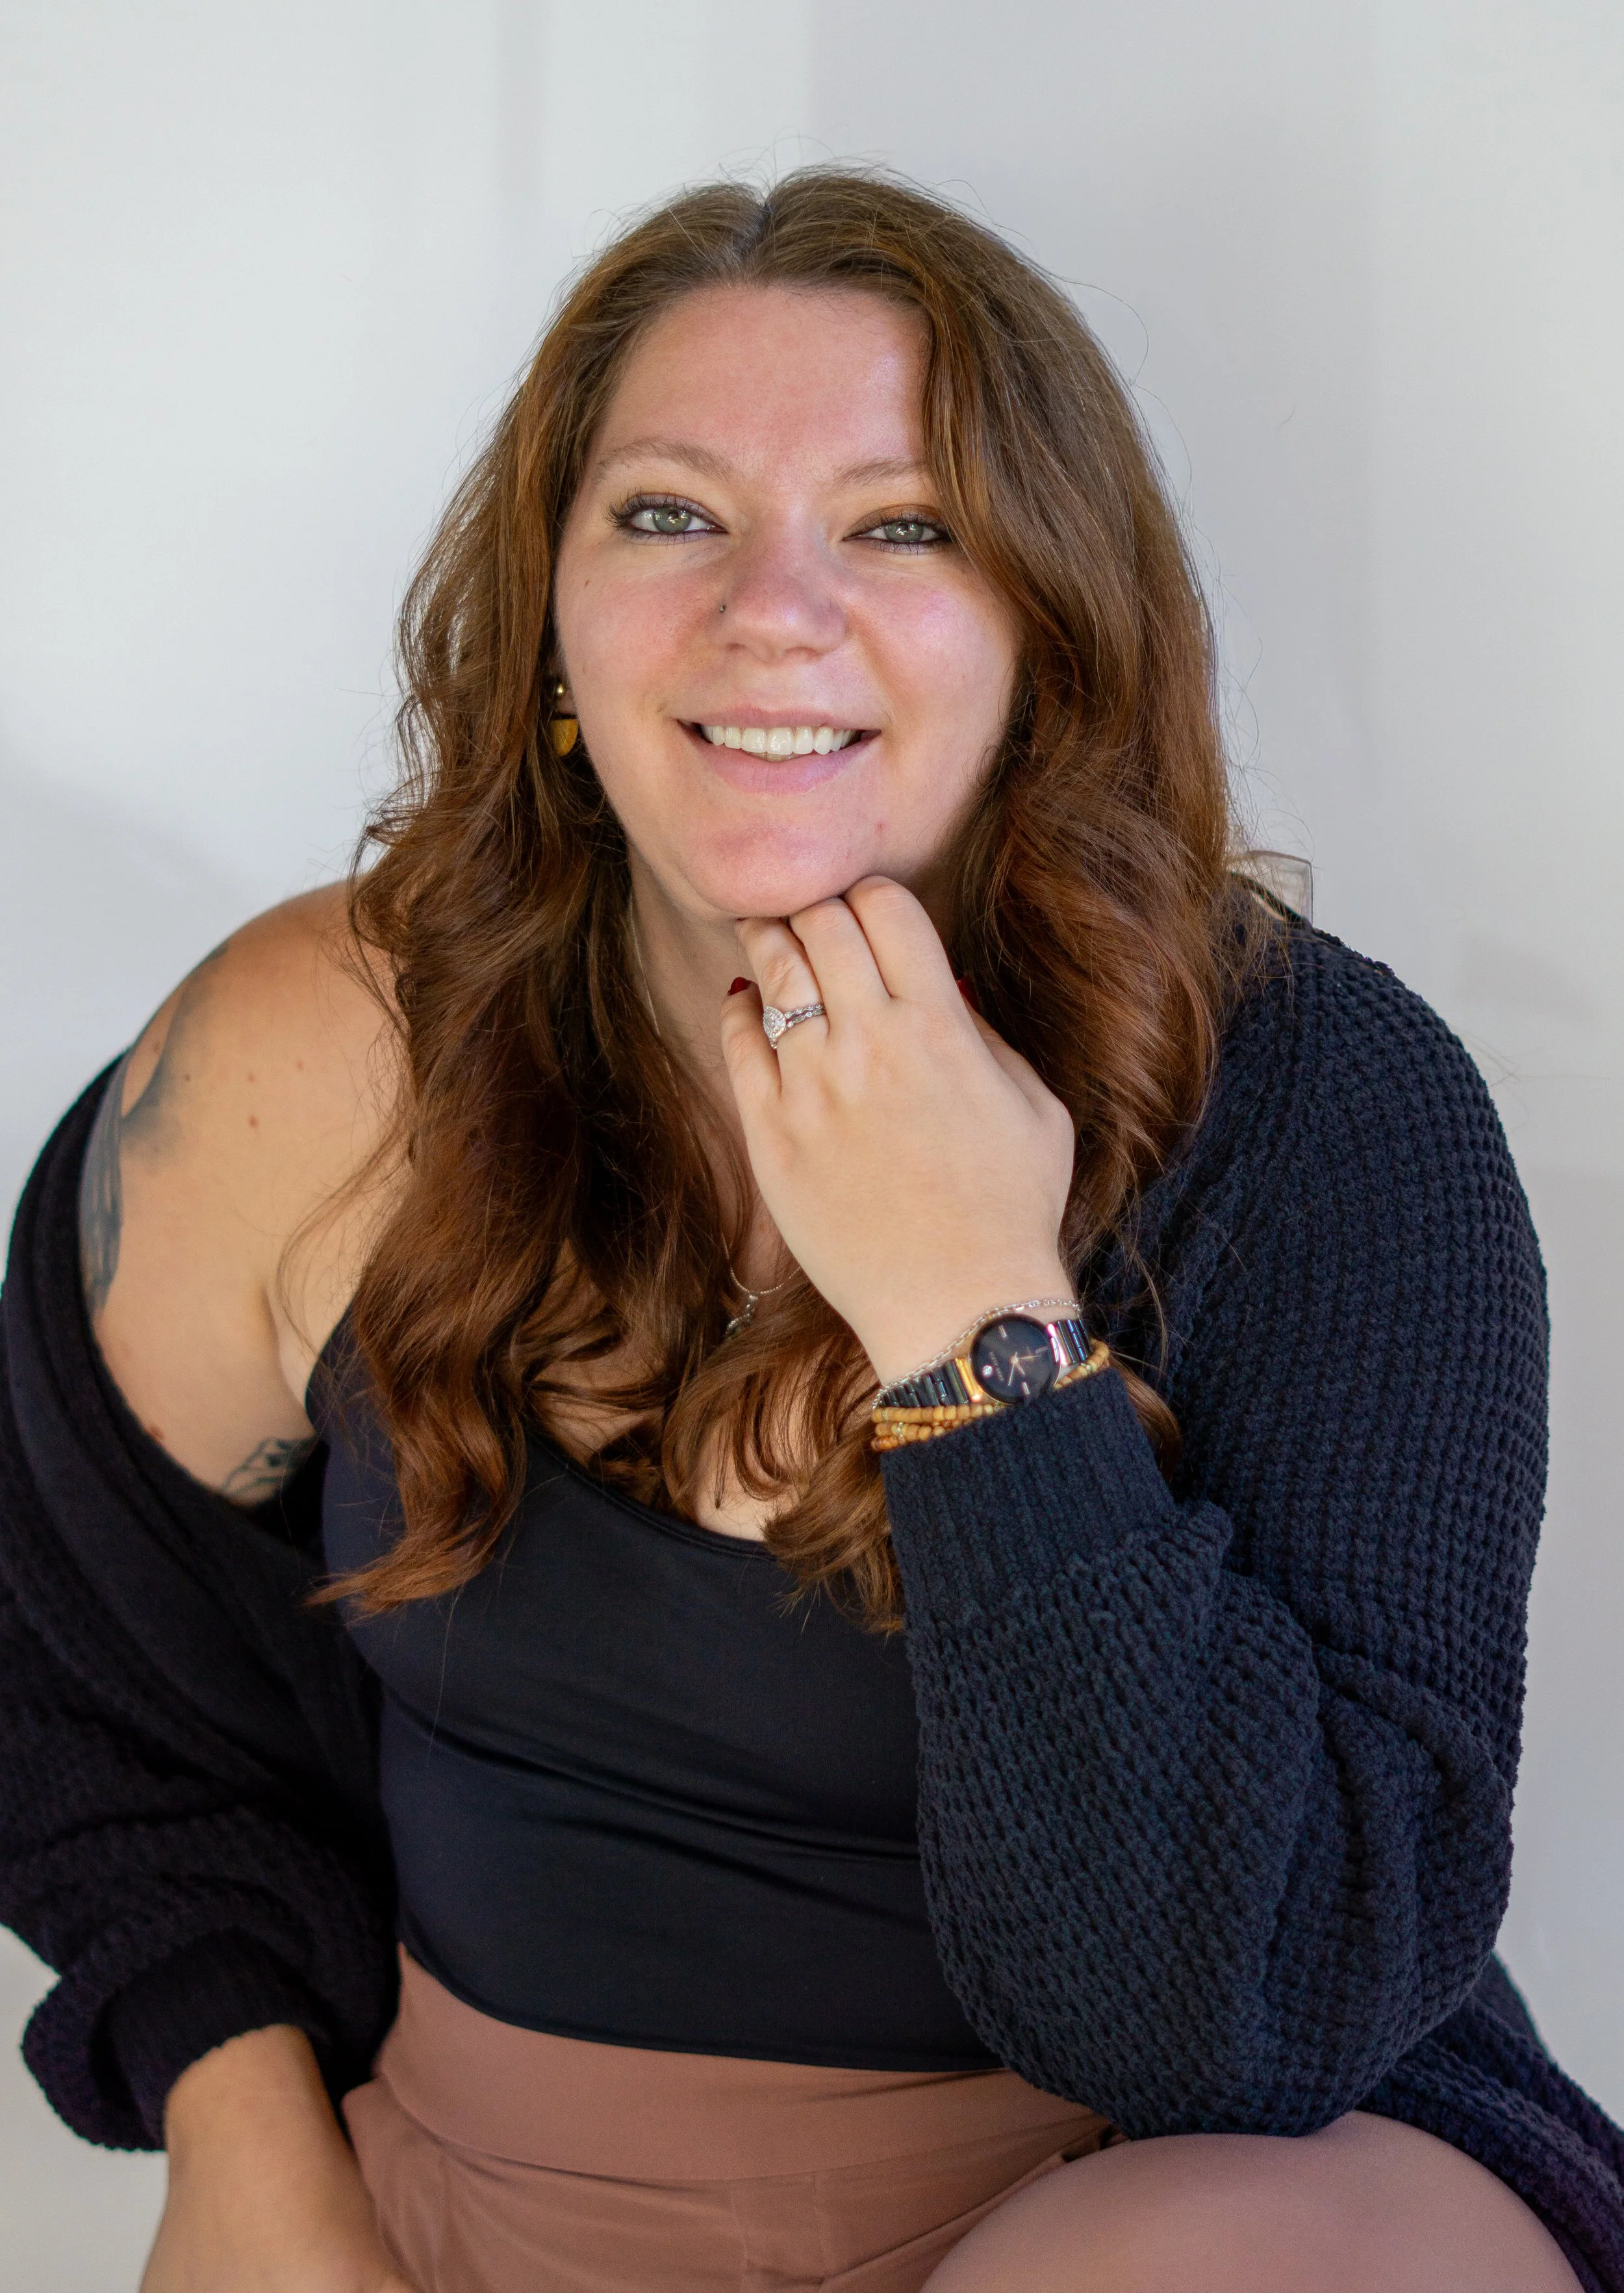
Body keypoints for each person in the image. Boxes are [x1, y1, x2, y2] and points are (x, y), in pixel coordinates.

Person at [2, 168, 1620, 2293]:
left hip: (1153, 2201)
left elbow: (1227, 2017)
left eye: (904, 522)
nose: (773, 609)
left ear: (1047, 629)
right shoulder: (325, 1054)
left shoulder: (1325, 1114)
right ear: (554, 625)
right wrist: (241, 2136)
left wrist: (970, 1325)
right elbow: (63, 1660)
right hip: (488, 2198)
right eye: (667, 514)